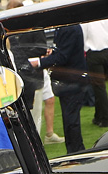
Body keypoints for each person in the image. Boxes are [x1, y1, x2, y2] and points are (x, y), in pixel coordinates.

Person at [31, 24, 88, 154]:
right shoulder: (64, 27)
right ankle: (74, 151)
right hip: (68, 81)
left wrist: (39, 63)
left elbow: (63, 56)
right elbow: (62, 52)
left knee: (71, 121)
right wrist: (53, 53)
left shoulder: (69, 28)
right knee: (69, 119)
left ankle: (77, 152)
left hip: (73, 81)